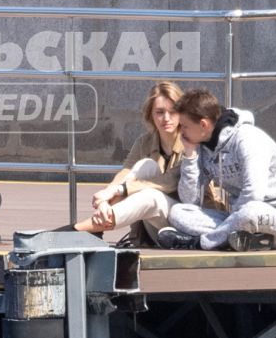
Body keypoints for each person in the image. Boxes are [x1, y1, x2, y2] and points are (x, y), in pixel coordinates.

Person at [156, 89, 276, 252]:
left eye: (184, 126)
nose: (181, 132)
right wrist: (190, 155)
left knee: (249, 211)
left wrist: (233, 222)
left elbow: (254, 194)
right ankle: (243, 240)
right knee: (178, 212)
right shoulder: (203, 149)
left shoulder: (248, 139)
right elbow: (190, 200)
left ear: (203, 125)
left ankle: (199, 243)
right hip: (236, 220)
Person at [72, 80, 202, 246]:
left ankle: (80, 230)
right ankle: (99, 223)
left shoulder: (192, 142)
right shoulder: (145, 142)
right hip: (158, 227)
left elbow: (168, 182)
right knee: (146, 165)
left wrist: (120, 190)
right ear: (150, 114)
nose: (166, 118)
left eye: (172, 112)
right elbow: (126, 172)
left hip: (188, 226)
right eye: (160, 112)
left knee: (151, 196)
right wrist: (106, 196)